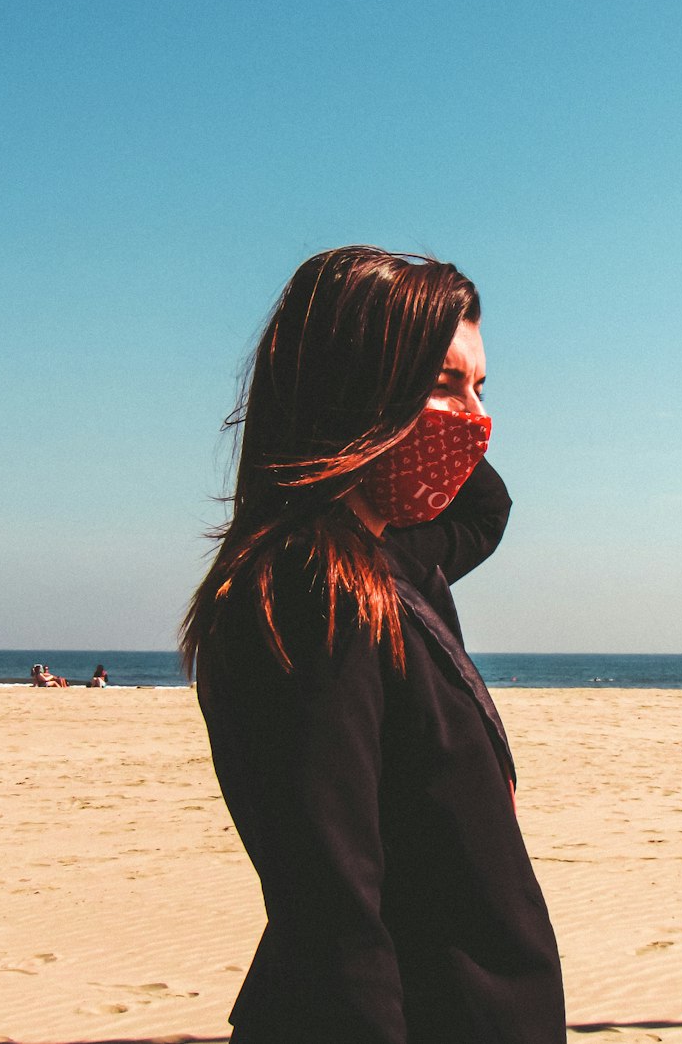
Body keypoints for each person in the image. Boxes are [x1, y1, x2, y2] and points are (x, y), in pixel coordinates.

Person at [181, 246, 565, 1044]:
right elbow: (334, 920)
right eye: (442, 385)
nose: (475, 419)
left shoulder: (394, 558)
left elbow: (483, 514)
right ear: (359, 389)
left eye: (482, 388)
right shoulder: (309, 592)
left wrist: (449, 421)